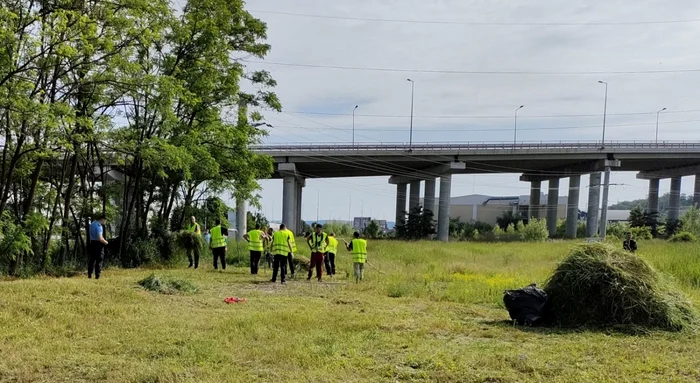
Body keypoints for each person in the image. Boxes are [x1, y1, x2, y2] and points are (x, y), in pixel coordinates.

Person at [88, 214, 109, 279]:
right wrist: (106, 242)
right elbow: (100, 238)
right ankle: (97, 275)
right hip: (98, 244)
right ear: (102, 219)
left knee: (92, 259)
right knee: (99, 259)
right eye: (105, 220)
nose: (105, 222)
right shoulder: (99, 226)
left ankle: (89, 274)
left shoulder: (92, 224)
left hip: (92, 243)